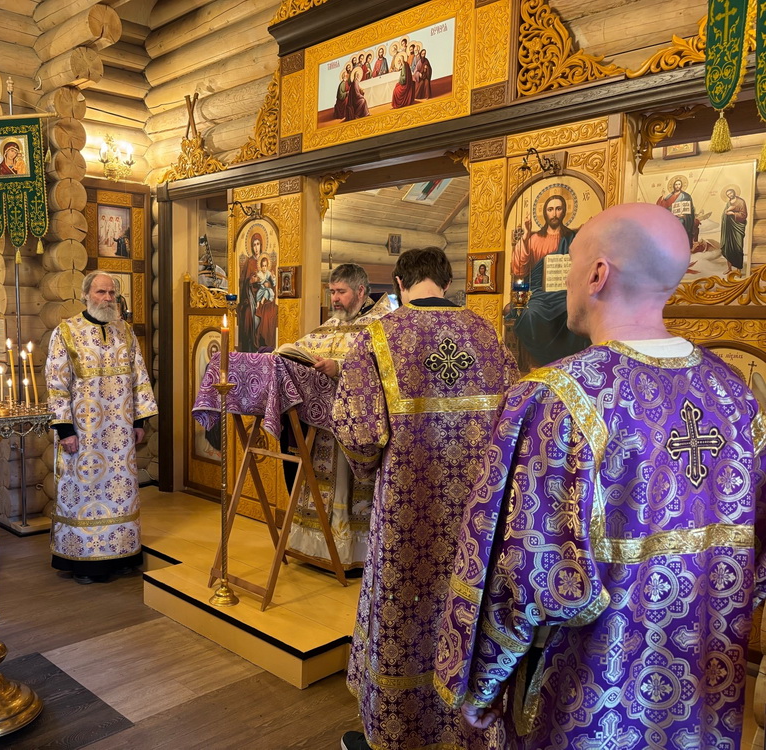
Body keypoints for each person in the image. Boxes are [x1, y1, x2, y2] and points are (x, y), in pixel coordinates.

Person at [436, 203, 766, 750]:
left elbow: (526, 573)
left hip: (587, 692)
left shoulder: (555, 398)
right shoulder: (735, 395)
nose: (565, 283)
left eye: (571, 266)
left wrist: (482, 683)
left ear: (597, 274)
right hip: (701, 690)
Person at [333, 248, 517, 750]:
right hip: (479, 512)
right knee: (467, 603)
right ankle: (466, 730)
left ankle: (401, 732)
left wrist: (370, 473)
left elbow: (358, 433)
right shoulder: (486, 334)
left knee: (405, 608)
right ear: (446, 282)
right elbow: (514, 420)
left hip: (407, 510)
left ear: (399, 283)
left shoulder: (378, 336)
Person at [46, 271, 157, 584]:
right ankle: (84, 562)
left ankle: (122, 555)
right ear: (85, 295)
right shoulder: (66, 331)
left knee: (121, 494)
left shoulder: (125, 331)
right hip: (84, 433)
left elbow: (139, 376)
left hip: (120, 433)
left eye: (111, 293)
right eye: (100, 292)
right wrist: (65, 429)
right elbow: (56, 382)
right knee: (83, 493)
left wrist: (139, 421)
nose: (107, 298)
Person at [283, 264, 393, 573]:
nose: (334, 299)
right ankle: (314, 548)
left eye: (341, 292)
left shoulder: (381, 326)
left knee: (348, 488)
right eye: (331, 292)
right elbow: (303, 350)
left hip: (358, 430)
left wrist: (339, 368)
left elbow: (384, 370)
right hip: (322, 431)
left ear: (360, 291)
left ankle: (351, 554)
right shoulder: (329, 326)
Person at [507, 193, 590, 367]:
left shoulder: (572, 238)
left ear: (564, 211)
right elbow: (519, 269)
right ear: (545, 213)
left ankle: (568, 364)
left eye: (558, 209)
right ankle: (536, 364)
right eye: (550, 209)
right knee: (530, 314)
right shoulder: (535, 239)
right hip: (540, 294)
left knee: (572, 311)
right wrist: (526, 235)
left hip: (565, 293)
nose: (554, 213)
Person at [656, 176, 697, 245]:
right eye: (676, 184)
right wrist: (662, 197)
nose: (677, 186)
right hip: (670, 216)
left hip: (681, 218)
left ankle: (679, 243)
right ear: (673, 186)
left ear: (681, 185)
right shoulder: (670, 196)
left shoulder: (686, 196)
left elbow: (690, 211)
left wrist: (684, 216)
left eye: (679, 184)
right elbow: (664, 206)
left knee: (680, 222)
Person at [721, 187, 747, 272]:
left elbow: (744, 215)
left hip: (738, 227)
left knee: (738, 248)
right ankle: (729, 268)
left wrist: (733, 213)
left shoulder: (741, 202)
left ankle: (739, 269)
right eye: (728, 194)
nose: (730, 195)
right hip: (729, 228)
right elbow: (724, 215)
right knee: (728, 248)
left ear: (734, 192)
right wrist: (726, 212)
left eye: (731, 193)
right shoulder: (728, 203)